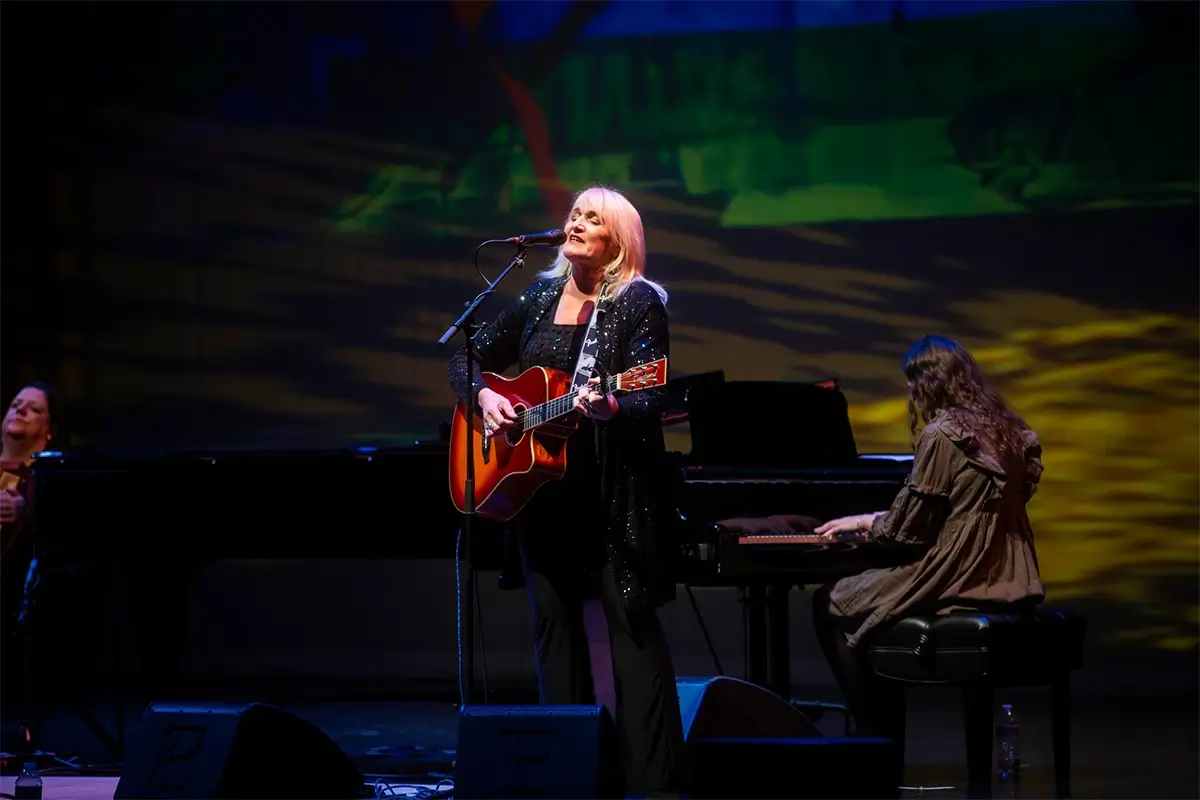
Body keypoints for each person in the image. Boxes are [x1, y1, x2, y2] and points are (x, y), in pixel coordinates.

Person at [447, 186, 686, 796]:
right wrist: (486, 396)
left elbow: (650, 396)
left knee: (630, 630)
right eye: (574, 214)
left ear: (617, 239)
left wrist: (610, 406)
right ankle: (572, 779)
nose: (575, 223)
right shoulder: (539, 296)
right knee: (553, 631)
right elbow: (464, 358)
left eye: (592, 218)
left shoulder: (637, 303)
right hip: (543, 493)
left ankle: (652, 785)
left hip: (612, 491)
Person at [811, 336, 1046, 742]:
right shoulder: (1009, 429)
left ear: (930, 381)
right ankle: (881, 729)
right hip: (1010, 575)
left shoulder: (943, 434)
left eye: (912, 380)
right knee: (874, 604)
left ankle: (872, 734)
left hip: (959, 573)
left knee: (830, 601)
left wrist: (864, 521)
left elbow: (906, 530)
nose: (909, 389)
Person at [0, 382, 61, 748]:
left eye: (34, 409)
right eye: (15, 404)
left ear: (48, 431)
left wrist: (27, 514)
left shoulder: (48, 480)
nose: (20, 410)